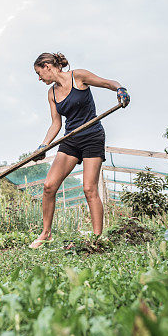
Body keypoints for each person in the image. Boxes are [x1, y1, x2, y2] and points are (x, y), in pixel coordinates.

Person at [28, 52, 130, 249]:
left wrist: (121, 90)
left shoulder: (79, 76)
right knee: (49, 186)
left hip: (92, 136)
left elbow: (109, 83)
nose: (39, 78)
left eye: (39, 73)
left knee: (89, 188)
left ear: (48, 66)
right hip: (71, 139)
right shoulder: (51, 94)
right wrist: (43, 146)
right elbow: (55, 124)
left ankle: (97, 238)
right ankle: (46, 233)